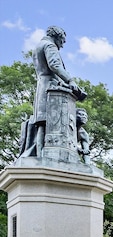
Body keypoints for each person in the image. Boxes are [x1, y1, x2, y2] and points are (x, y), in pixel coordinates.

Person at [21, 26, 84, 158]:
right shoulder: (50, 46)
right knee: (48, 122)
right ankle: (44, 155)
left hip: (42, 87)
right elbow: (55, 65)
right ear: (58, 36)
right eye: (63, 40)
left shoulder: (39, 45)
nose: (63, 44)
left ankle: (39, 154)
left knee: (42, 123)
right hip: (51, 89)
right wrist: (70, 81)